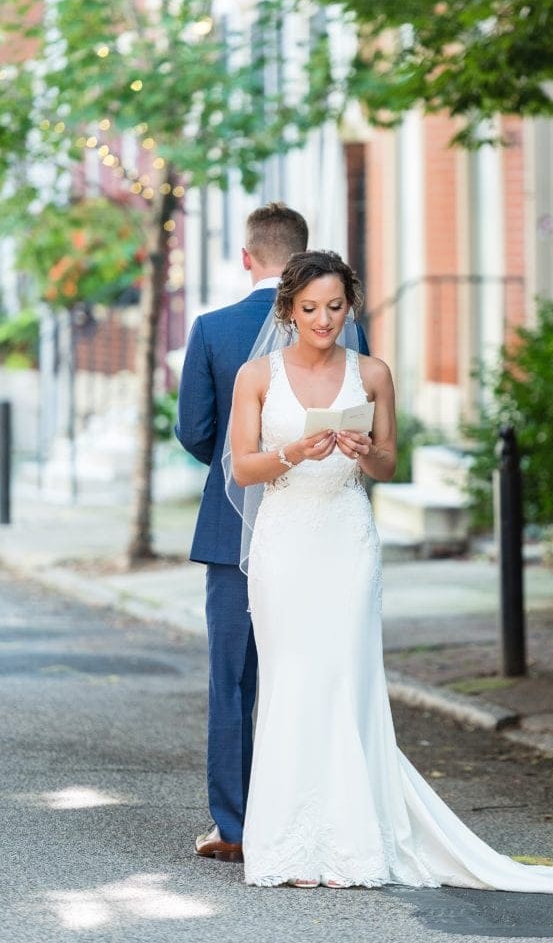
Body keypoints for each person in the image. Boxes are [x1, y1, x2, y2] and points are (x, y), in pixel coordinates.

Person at [228, 250, 553, 894]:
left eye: (335, 307)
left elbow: (388, 466)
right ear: (288, 309)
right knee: (291, 679)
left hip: (347, 540)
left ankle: (353, 840)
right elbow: (242, 467)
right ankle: (289, 845)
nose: (324, 320)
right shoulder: (256, 375)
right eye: (310, 309)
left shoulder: (374, 373)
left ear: (349, 305)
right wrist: (293, 451)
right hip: (284, 543)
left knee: (345, 679)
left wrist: (364, 450)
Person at [175, 203, 309, 863]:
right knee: (309, 671)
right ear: (306, 259)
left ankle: (233, 827)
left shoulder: (212, 330)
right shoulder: (341, 329)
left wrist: (243, 470)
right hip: (316, 527)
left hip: (231, 530)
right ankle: (307, 814)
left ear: (247, 257)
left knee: (233, 678)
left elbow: (195, 431)